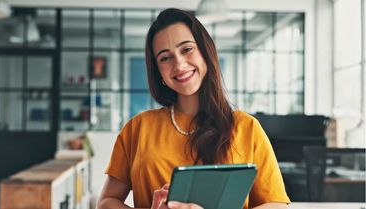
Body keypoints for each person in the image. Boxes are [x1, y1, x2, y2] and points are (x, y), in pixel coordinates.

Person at [97, 8, 290, 209]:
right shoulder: (137, 128)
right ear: (158, 72)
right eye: (165, 58)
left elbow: (276, 204)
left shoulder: (247, 127)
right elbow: (106, 202)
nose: (179, 64)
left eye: (187, 49)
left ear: (206, 51)